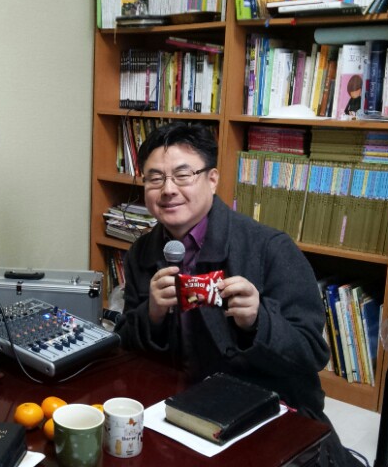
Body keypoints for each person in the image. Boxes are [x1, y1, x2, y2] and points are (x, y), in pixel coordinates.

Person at [114, 122, 361, 466]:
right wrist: (151, 314)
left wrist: (258, 321)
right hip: (178, 409)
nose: (168, 189)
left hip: (266, 411)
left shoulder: (270, 248)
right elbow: (125, 345)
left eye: (183, 175)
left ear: (212, 179)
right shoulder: (143, 252)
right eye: (155, 179)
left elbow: (311, 353)